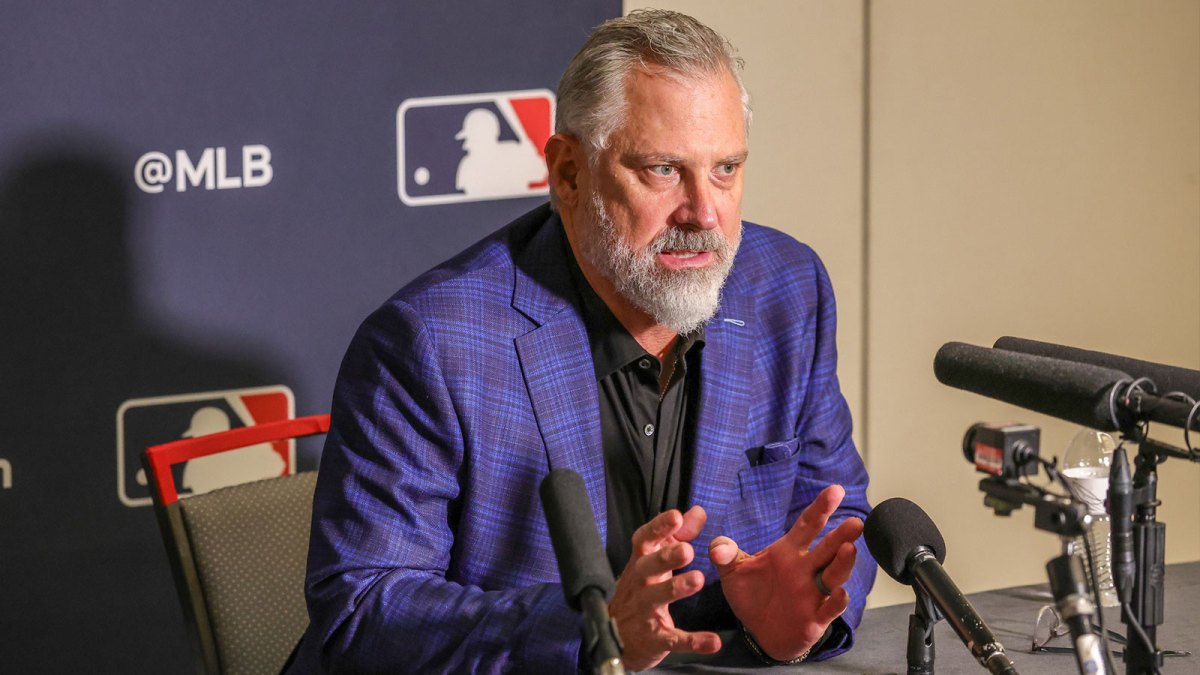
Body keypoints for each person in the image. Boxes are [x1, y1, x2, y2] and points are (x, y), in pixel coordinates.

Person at [290, 10, 874, 673]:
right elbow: (361, 608)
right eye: (661, 170)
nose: (704, 212)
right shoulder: (431, 341)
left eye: (726, 168)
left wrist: (805, 618)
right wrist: (591, 631)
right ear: (569, 173)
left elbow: (836, 509)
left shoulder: (787, 291)